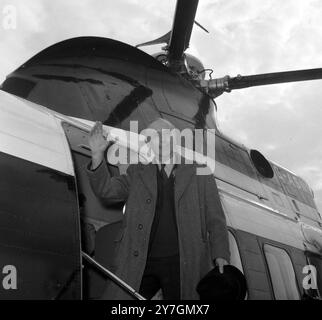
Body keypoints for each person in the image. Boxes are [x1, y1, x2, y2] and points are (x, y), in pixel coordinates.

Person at [86, 119, 230, 300]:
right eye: (154, 136)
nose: (161, 140)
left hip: (183, 261)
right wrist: (97, 154)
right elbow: (106, 189)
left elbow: (215, 219)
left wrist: (221, 254)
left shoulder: (200, 172)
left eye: (166, 135)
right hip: (142, 260)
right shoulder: (137, 172)